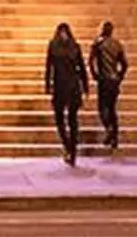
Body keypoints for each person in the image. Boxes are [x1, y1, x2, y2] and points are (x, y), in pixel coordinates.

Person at [44, 22, 89, 165]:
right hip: (71, 86)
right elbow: (81, 68)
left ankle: (70, 147)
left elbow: (49, 67)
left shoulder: (54, 46)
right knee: (70, 119)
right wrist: (85, 86)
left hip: (62, 87)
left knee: (66, 119)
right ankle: (71, 148)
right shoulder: (74, 47)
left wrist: (47, 85)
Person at [90, 20, 129, 152]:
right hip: (114, 81)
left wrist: (95, 74)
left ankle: (109, 129)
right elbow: (124, 64)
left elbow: (91, 61)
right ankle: (114, 137)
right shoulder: (117, 44)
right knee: (112, 108)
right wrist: (119, 76)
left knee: (102, 107)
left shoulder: (98, 43)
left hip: (104, 80)